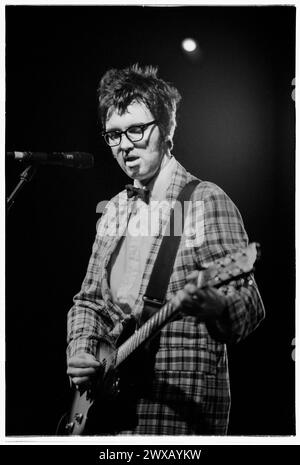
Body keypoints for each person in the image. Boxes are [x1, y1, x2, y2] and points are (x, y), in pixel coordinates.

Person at [66, 64, 265, 435]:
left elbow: (250, 304)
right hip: (108, 413)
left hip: (177, 416)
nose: (124, 145)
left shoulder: (205, 200)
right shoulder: (114, 210)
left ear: (167, 131)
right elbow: (89, 302)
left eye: (137, 130)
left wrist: (219, 306)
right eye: (114, 135)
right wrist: (80, 349)